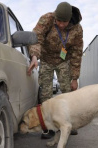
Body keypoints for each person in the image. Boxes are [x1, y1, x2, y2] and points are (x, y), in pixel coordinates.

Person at [28, 2, 83, 139]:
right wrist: (35, 56)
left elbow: (77, 53)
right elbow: (36, 37)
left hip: (64, 61)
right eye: (58, 21)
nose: (61, 24)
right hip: (46, 59)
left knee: (68, 91)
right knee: (45, 93)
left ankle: (70, 124)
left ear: (70, 19)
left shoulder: (77, 29)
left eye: (64, 22)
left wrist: (75, 78)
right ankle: (48, 127)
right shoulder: (47, 19)